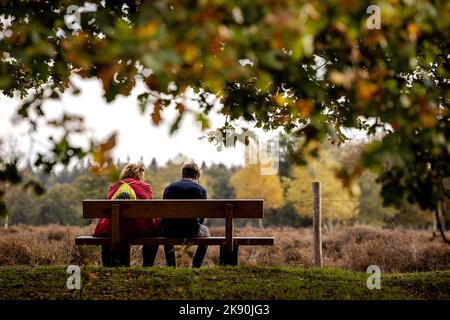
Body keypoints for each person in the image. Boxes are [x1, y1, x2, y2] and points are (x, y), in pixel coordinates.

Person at [92, 162, 160, 267]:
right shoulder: (146, 187)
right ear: (140, 174)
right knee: (154, 232)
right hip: (140, 229)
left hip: (114, 229)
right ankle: (147, 265)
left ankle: (107, 265)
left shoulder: (114, 186)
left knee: (110, 231)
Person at [161, 162, 210, 268]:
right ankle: (196, 265)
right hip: (192, 230)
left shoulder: (169, 188)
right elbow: (201, 218)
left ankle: (171, 266)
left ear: (183, 174)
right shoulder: (201, 190)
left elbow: (164, 213)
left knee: (166, 231)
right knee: (206, 232)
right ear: (197, 175)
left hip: (170, 230)